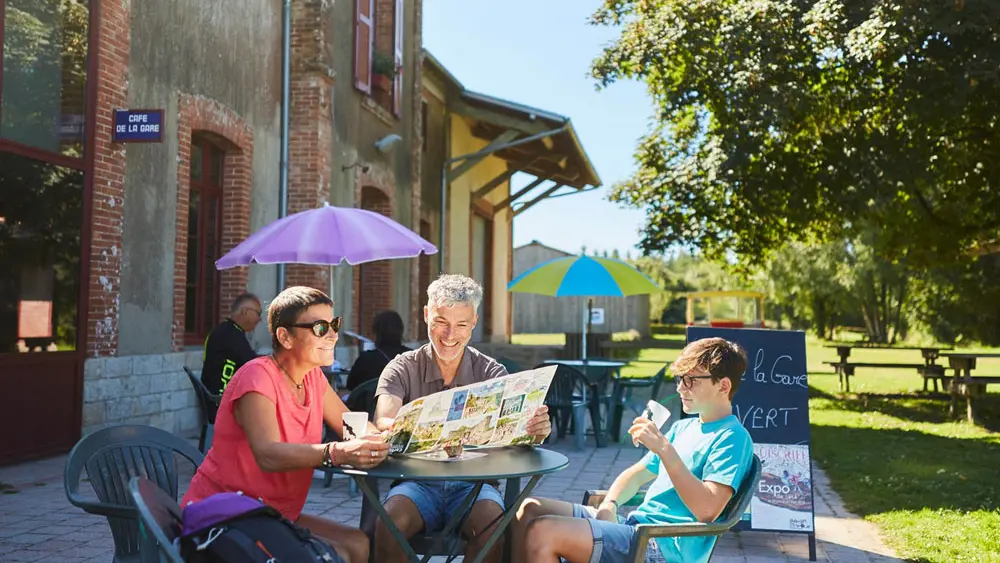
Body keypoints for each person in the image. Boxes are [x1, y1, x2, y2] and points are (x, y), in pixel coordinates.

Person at [181, 286, 390, 563]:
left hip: (273, 514)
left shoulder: (312, 377)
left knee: (358, 543)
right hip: (226, 515)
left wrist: (390, 437)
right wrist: (334, 452)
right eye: (320, 327)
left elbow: (349, 425)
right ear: (285, 336)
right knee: (335, 555)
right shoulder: (257, 378)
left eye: (334, 324)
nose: (333, 335)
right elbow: (268, 453)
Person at [512, 337, 754, 563]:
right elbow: (636, 475)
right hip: (636, 527)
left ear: (723, 386)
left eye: (691, 380)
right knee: (529, 508)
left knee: (543, 532)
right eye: (680, 379)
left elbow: (707, 511)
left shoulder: (732, 438)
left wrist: (664, 450)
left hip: (662, 545)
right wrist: (610, 504)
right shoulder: (683, 427)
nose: (681, 388)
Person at [373, 274, 552, 563]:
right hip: (417, 481)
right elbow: (384, 418)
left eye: (461, 325)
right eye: (441, 322)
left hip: (476, 484)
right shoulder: (402, 367)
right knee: (387, 524)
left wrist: (535, 430)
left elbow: (517, 436)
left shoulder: (492, 372)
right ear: (426, 314)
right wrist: (401, 426)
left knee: (493, 529)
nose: (449, 335)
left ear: (474, 322)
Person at [201, 293, 262, 402]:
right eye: (258, 313)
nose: (260, 319)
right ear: (246, 312)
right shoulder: (231, 335)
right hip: (220, 403)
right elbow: (255, 365)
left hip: (219, 401)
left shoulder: (227, 330)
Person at [346, 310, 411, 390]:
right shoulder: (413, 358)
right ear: (401, 330)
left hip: (370, 402)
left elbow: (350, 386)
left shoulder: (365, 359)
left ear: (376, 332)